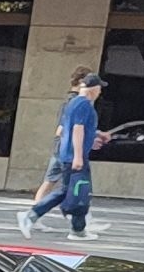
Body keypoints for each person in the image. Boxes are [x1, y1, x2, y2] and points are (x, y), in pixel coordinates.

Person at [21, 69, 106, 239]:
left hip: (68, 154)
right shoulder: (83, 105)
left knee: (70, 190)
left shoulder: (73, 103)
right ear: (93, 89)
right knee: (79, 190)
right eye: (99, 88)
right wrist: (78, 156)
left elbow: (71, 129)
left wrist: (94, 137)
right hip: (73, 156)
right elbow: (77, 129)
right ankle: (75, 229)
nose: (100, 92)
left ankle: (74, 228)